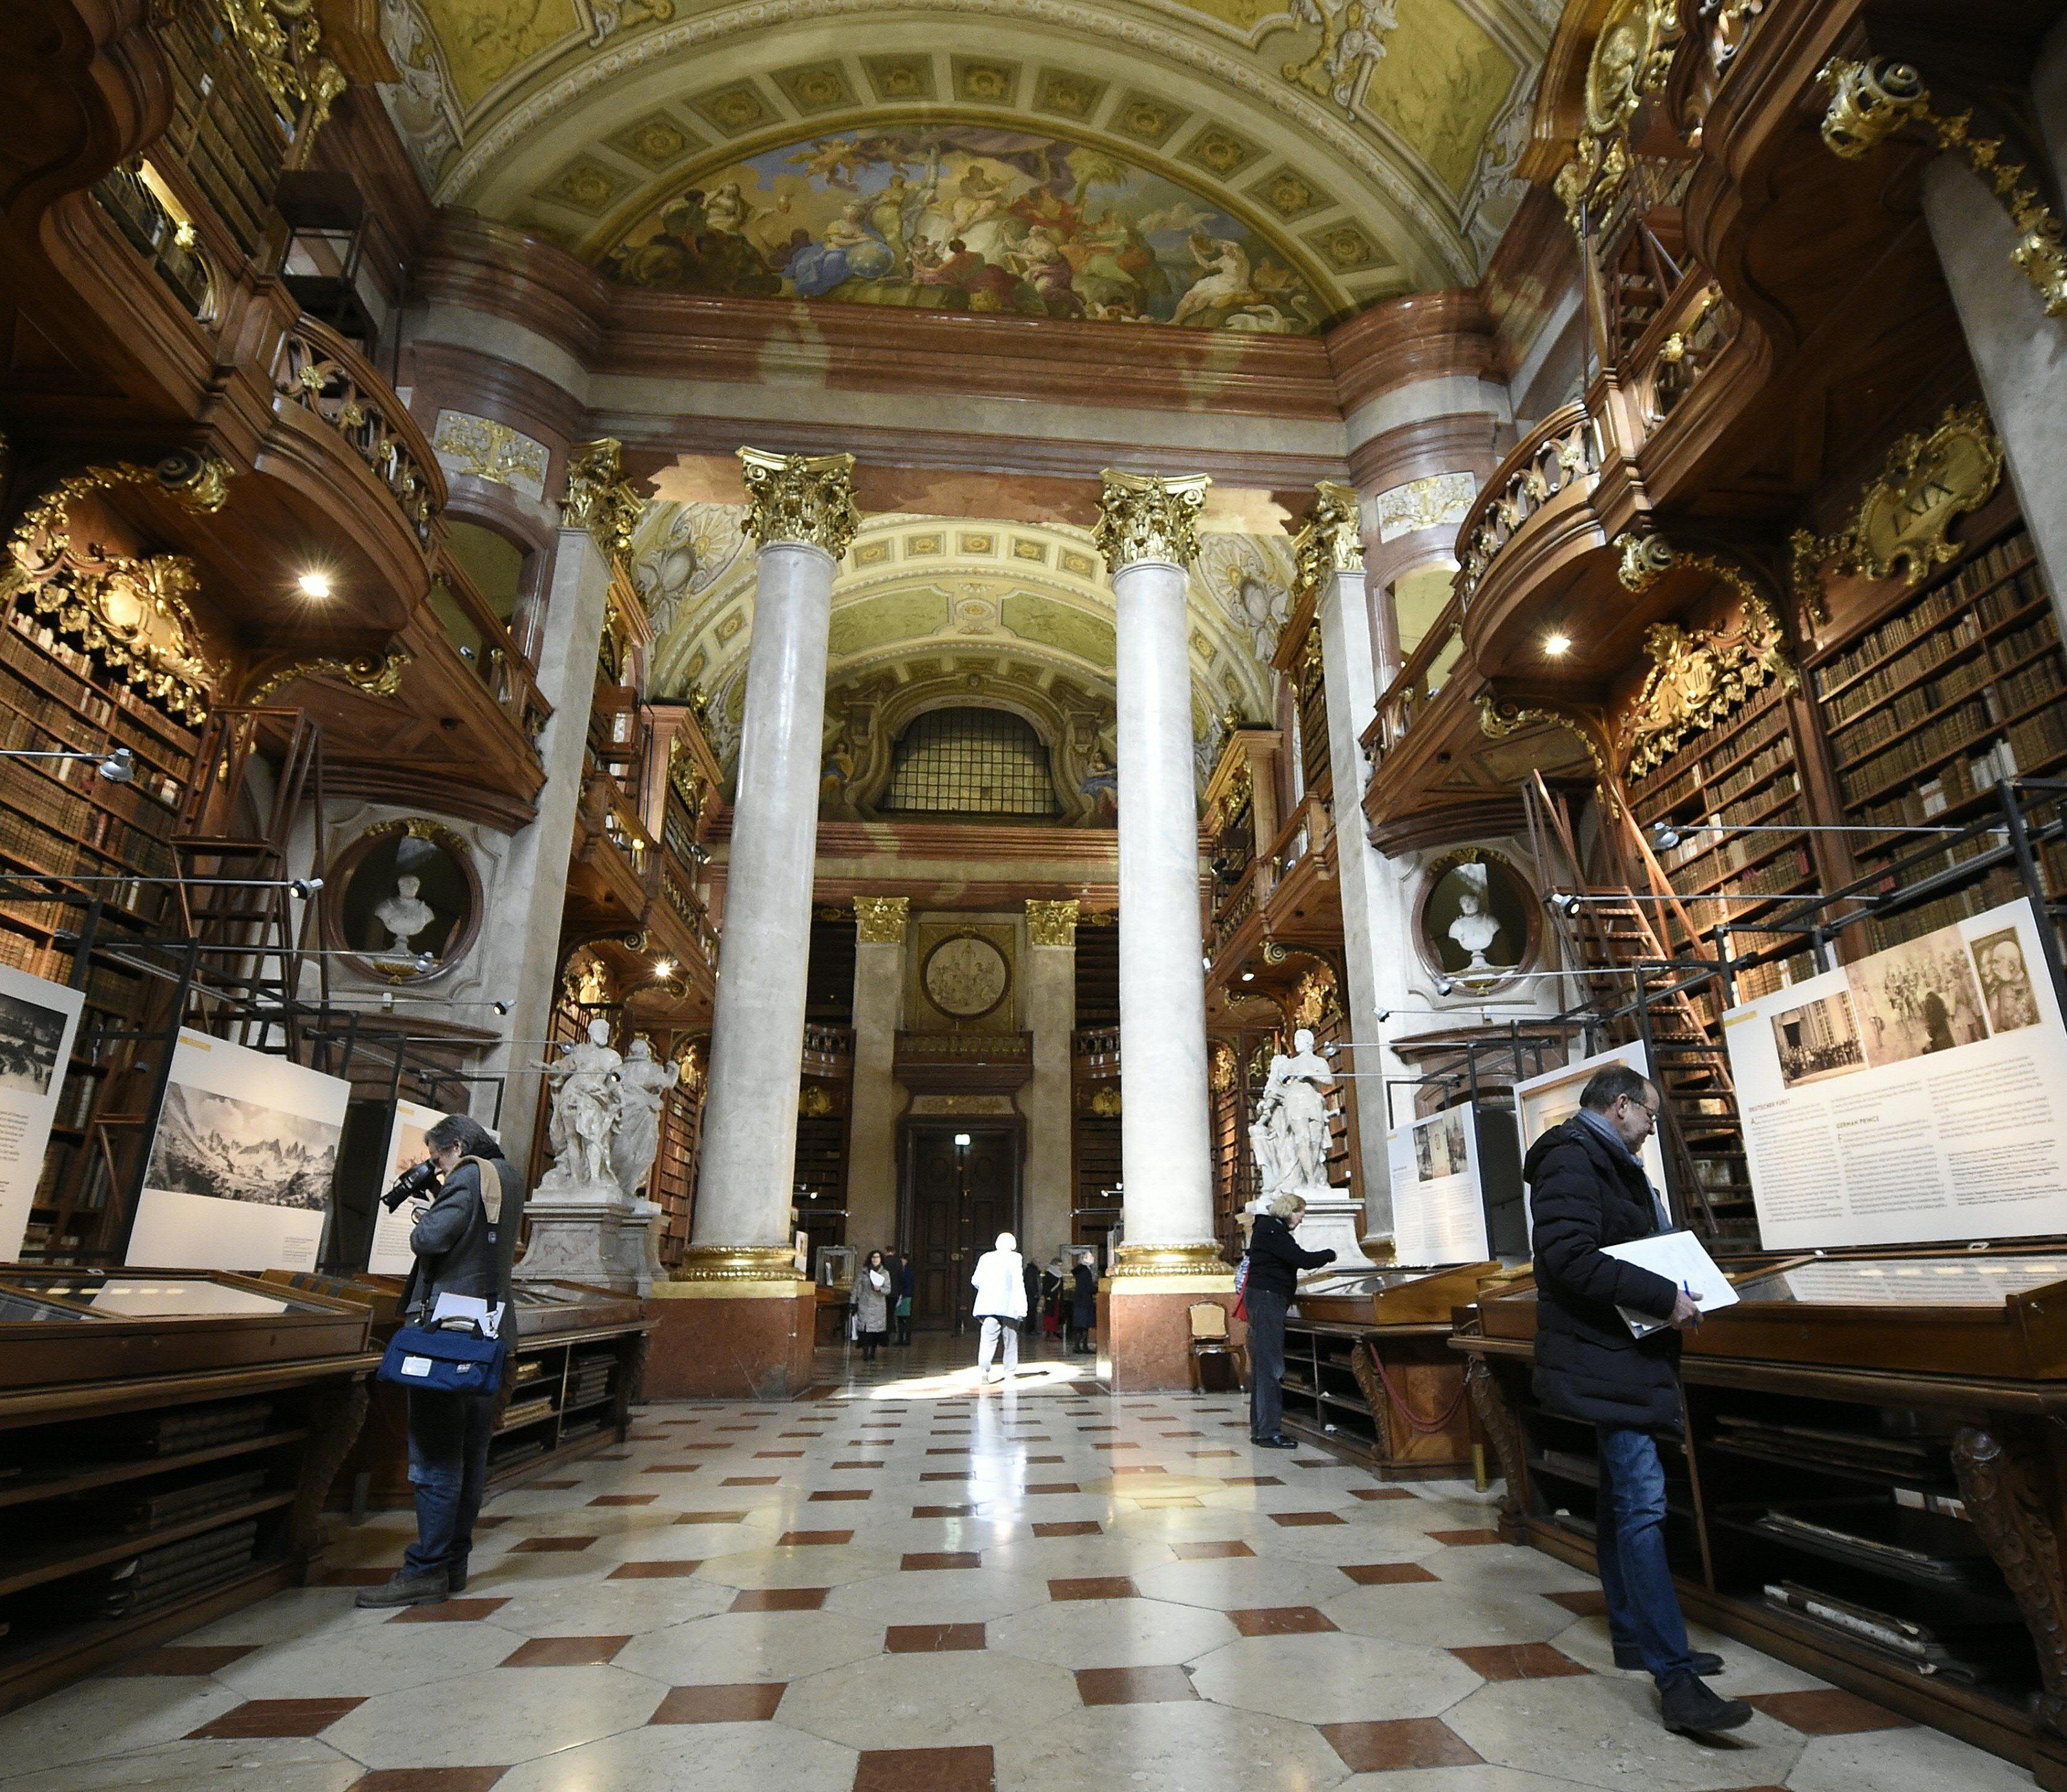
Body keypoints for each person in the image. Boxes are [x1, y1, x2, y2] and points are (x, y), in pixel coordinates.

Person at [1528, 1064, 1748, 1736]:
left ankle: (1631, 1635)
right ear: (1619, 1106)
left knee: (1621, 1502)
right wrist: (1663, 1296)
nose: (1651, 1132)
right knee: (1641, 1506)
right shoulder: (1573, 1157)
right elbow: (1566, 1254)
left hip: (1620, 1355)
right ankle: (1673, 1678)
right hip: (1611, 1355)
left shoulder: (1597, 1156)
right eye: (1649, 1117)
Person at [358, 1113, 526, 1609]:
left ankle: (425, 1568)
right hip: (490, 1335)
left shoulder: (469, 1174)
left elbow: (429, 1239)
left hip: (449, 1337)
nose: (436, 1168)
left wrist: (432, 1200)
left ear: (456, 1145)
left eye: (437, 1159)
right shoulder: (508, 1177)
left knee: (435, 1457)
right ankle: (453, 1563)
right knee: (471, 1458)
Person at [1242, 1191, 1335, 1447]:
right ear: (1289, 1210)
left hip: (1265, 1299)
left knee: (1264, 1366)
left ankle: (1262, 1429)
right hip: (1268, 1300)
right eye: (1300, 1214)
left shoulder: (1267, 1230)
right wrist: (1329, 1254)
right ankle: (1268, 1432)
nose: (1301, 1220)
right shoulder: (1273, 1232)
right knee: (1271, 1367)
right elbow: (1302, 1259)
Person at [970, 1230, 1026, 1383]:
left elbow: (975, 1281)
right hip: (1009, 1305)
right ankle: (1009, 1371)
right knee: (1010, 1339)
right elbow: (1018, 1283)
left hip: (988, 1305)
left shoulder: (985, 1258)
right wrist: (1023, 1308)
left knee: (988, 1339)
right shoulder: (1015, 1258)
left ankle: (984, 1369)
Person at [853, 1249, 891, 1363]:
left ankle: (873, 1351)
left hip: (878, 1306)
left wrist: (880, 1289)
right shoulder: (863, 1272)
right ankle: (865, 1351)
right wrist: (854, 1302)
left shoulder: (885, 1273)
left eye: (878, 1257)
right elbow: (856, 1287)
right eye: (874, 1257)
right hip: (865, 1305)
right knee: (865, 1331)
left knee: (875, 1332)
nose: (875, 1259)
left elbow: (888, 1289)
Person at [1068, 1251, 1097, 1355]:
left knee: (1081, 1325)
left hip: (1080, 1300)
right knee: (1084, 1325)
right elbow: (1087, 1287)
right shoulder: (1085, 1272)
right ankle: (1082, 1346)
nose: (1093, 1258)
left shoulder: (1081, 1271)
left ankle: (1079, 1346)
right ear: (1085, 1259)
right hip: (1084, 1301)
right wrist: (1098, 1289)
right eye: (1091, 1256)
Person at [1021, 1251, 1044, 1357]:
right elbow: (1031, 1284)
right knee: (1031, 1312)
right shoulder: (1031, 1271)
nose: (1040, 1264)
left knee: (1033, 1312)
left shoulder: (1033, 1271)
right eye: (1039, 1262)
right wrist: (1035, 1294)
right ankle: (1030, 1329)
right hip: (1031, 1296)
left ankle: (1032, 1329)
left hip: (1032, 1295)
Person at [895, 1254, 915, 1345]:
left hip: (906, 1295)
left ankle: (907, 1339)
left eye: (904, 1260)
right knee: (899, 1318)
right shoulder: (900, 1269)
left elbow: (907, 1281)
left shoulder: (909, 1270)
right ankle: (900, 1338)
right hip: (899, 1295)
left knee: (906, 1318)